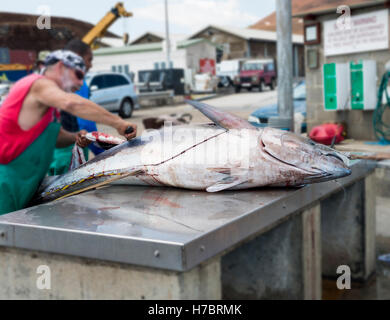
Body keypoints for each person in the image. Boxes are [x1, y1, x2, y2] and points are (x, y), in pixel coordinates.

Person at [0, 50, 137, 215]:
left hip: (23, 184)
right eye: (78, 75)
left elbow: (54, 137)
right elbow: (73, 104)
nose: (80, 84)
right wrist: (118, 123)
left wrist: (76, 137)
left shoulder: (48, 106)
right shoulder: (37, 83)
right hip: (6, 181)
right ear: (60, 67)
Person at [48, 39, 103, 175]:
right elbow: (85, 121)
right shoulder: (77, 82)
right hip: (71, 155)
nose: (90, 64)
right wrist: (102, 152)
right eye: (89, 59)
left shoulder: (53, 80)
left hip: (54, 156)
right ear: (77, 56)